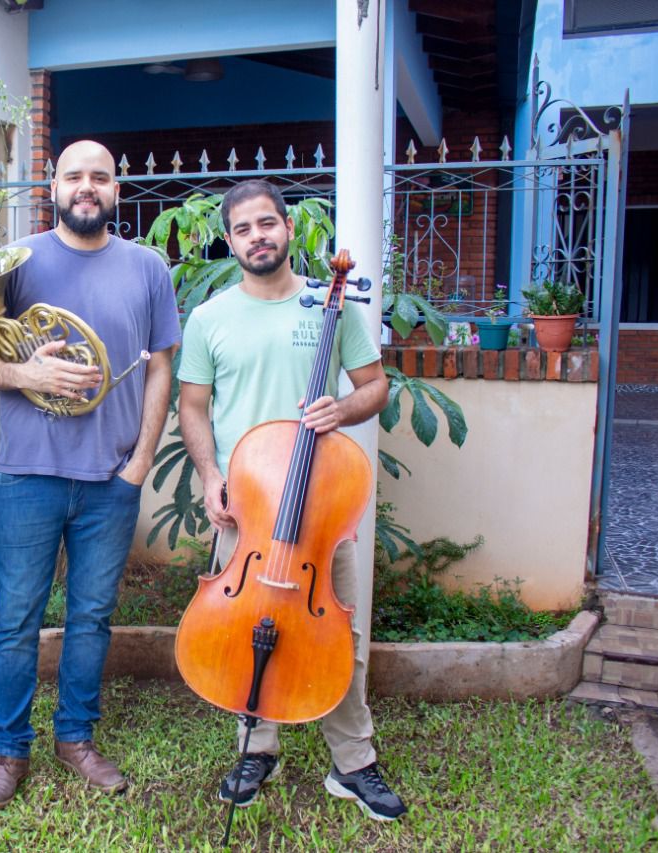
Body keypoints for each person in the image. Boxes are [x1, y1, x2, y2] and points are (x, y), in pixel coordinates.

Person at [0, 140, 181, 809]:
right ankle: (8, 750)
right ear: (53, 184)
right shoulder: (16, 264)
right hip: (27, 472)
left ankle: (75, 737)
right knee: (17, 618)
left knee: (91, 617)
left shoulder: (147, 268)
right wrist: (26, 373)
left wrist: (139, 462)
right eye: (75, 176)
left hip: (110, 476)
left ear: (118, 187)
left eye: (101, 177)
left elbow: (161, 365)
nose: (87, 187)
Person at [175, 179, 407, 821]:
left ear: (287, 228)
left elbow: (376, 386)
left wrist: (344, 406)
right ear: (231, 239)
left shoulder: (328, 304)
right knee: (244, 626)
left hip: (322, 508)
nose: (258, 236)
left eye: (268, 224)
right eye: (244, 228)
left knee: (345, 638)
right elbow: (193, 405)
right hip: (246, 508)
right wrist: (207, 473)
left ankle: (353, 762)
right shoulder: (210, 318)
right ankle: (258, 748)